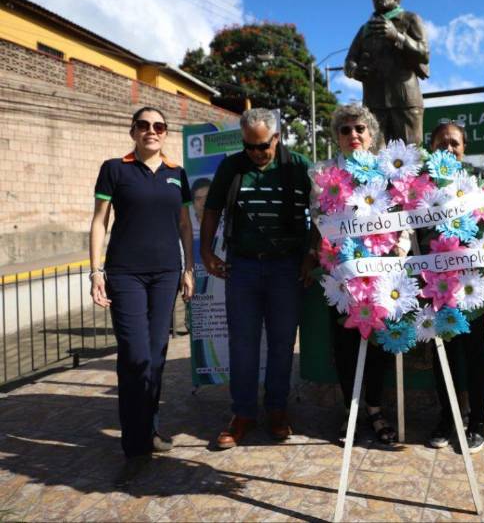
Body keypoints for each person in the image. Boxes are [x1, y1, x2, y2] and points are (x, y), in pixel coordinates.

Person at [200, 108, 315, 448]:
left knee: (281, 343)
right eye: (249, 146)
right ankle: (243, 414)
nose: (255, 153)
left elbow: (323, 210)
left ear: (277, 138)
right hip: (244, 267)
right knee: (243, 343)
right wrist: (206, 252)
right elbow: (211, 210)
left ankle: (277, 410)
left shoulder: (298, 166)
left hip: (286, 267)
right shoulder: (232, 167)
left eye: (262, 146)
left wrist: (311, 255)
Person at [89, 106, 194, 468]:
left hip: (166, 274)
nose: (152, 131)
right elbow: (99, 222)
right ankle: (134, 440)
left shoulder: (176, 174)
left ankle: (148, 430)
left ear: (166, 133)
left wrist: (189, 269)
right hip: (125, 274)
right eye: (144, 125)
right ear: (133, 131)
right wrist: (96, 272)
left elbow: (184, 225)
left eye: (159, 126)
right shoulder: (115, 169)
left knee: (156, 355)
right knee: (135, 355)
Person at [310, 103, 399, 445]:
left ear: (371, 134)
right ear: (336, 137)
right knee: (345, 343)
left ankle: (375, 409)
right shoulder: (321, 174)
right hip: (341, 272)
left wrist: (398, 257)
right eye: (345, 130)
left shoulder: (385, 171)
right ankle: (350, 410)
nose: (353, 135)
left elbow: (398, 216)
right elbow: (318, 222)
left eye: (360, 129)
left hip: (380, 269)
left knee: (378, 342)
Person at [425, 120, 484, 453]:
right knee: (443, 352)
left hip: (472, 285)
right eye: (442, 143)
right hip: (435, 283)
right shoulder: (421, 186)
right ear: (431, 147)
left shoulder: (480, 182)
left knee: (475, 351)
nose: (449, 149)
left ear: (465, 147)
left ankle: (478, 419)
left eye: (455, 143)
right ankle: (448, 416)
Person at [344, 0, 430, 146]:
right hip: (374, 104)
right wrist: (355, 70)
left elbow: (424, 54)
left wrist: (396, 36)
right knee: (374, 161)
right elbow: (349, 62)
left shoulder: (410, 19)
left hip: (405, 101)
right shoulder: (365, 29)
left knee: (410, 159)